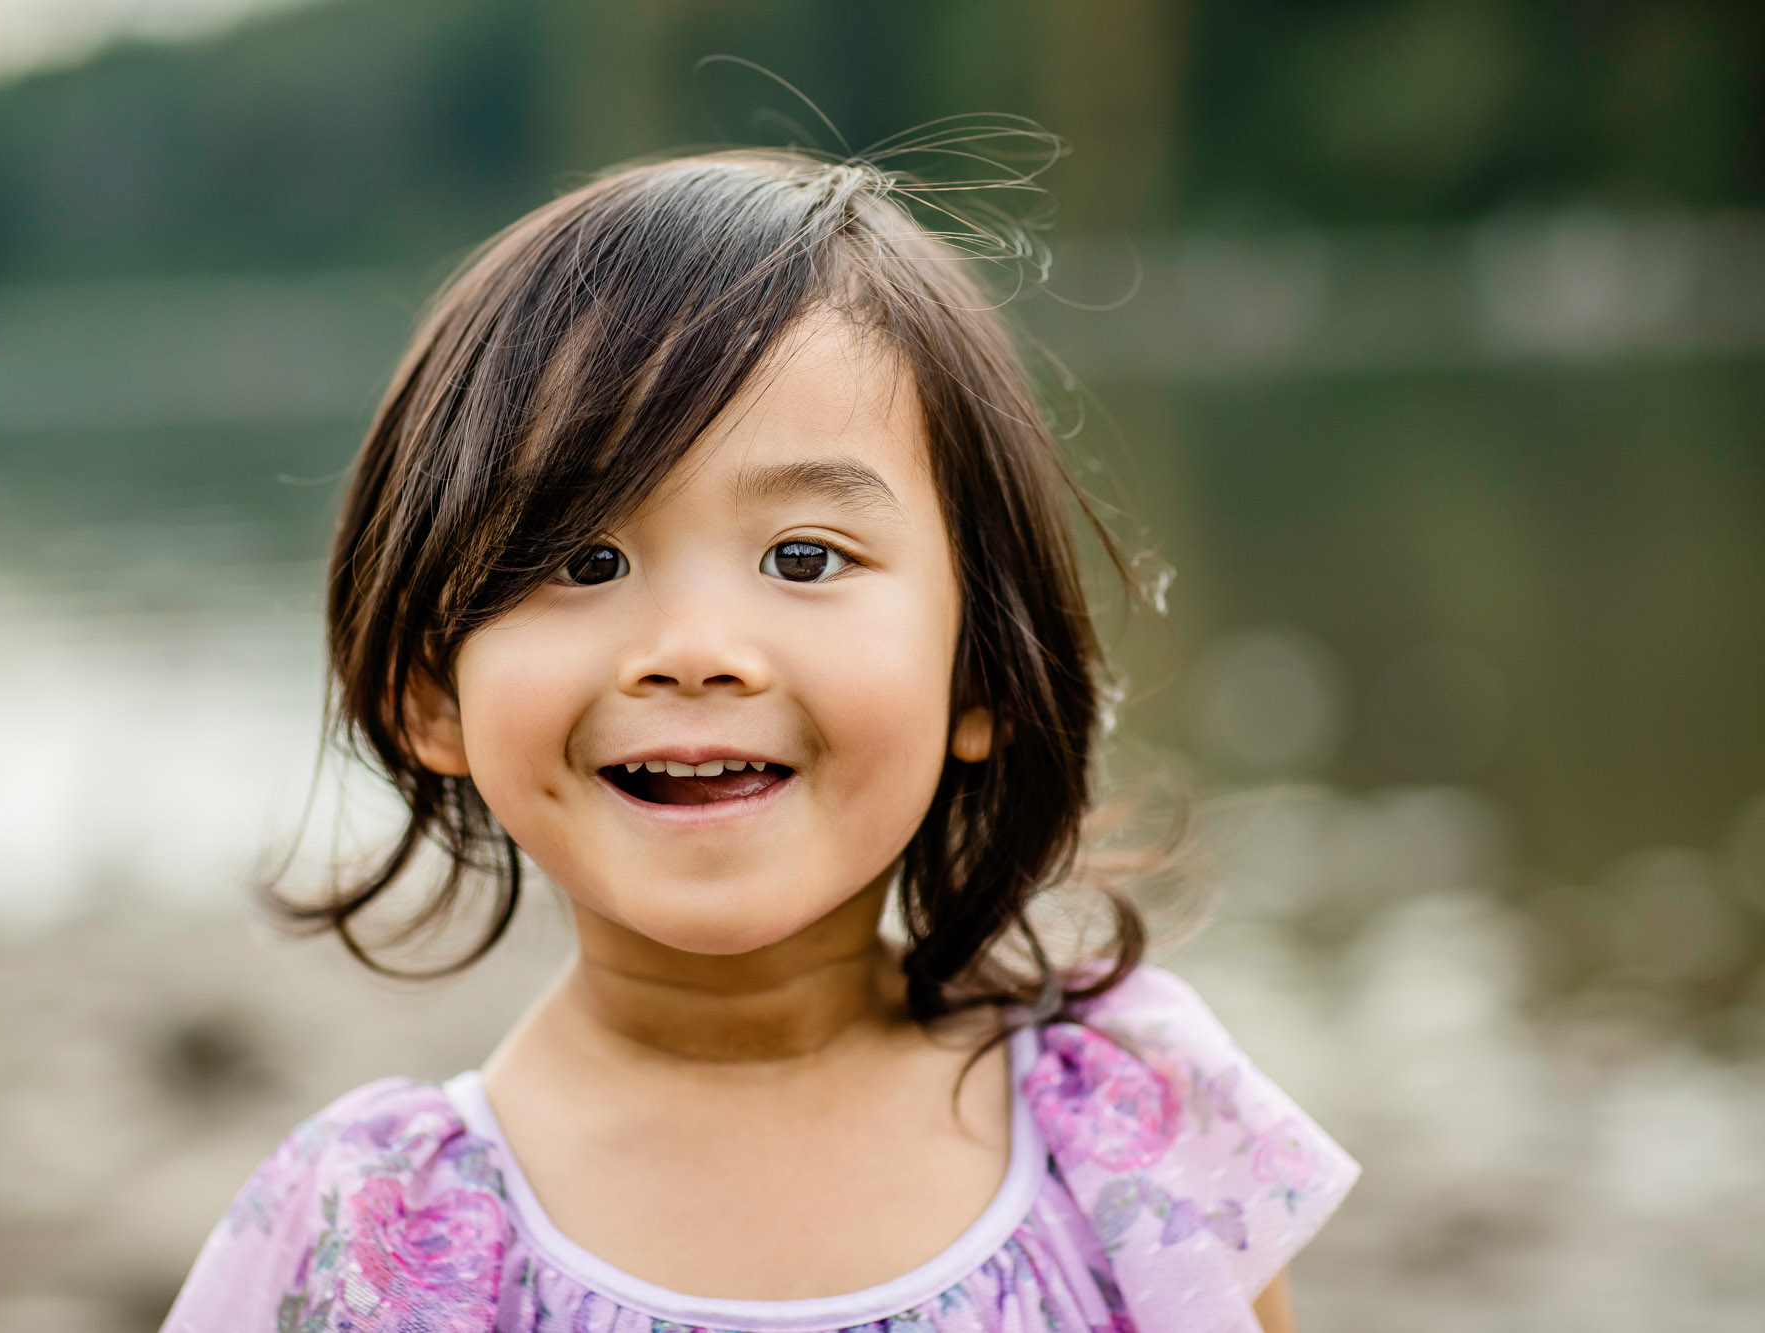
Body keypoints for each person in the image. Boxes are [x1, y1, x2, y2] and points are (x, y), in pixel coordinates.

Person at [159, 147, 1358, 1333]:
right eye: (585, 561)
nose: (692, 648)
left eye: (804, 556)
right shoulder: (376, 1227)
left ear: (979, 669)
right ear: (433, 692)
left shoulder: (1129, 1120)